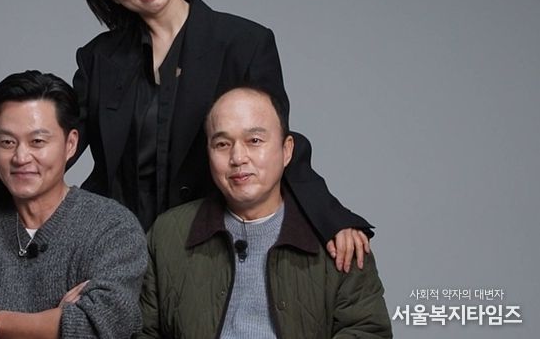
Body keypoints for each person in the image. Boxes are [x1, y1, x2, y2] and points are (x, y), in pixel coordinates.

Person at [0, 0, 372, 272]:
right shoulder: (99, 58)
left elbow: (276, 143)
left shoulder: (243, 43)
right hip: (112, 242)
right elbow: (56, 146)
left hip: (208, 241)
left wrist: (333, 220)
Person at [0, 70, 147, 339]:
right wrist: (54, 324)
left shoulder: (112, 228)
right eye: (7, 142)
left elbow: (103, 325)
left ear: (70, 144)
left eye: (37, 142)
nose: (20, 157)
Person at [138, 86, 392, 338]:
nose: (238, 157)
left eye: (254, 141)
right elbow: (142, 331)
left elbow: (367, 331)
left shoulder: (338, 241)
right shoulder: (168, 234)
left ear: (287, 150)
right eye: (222, 144)